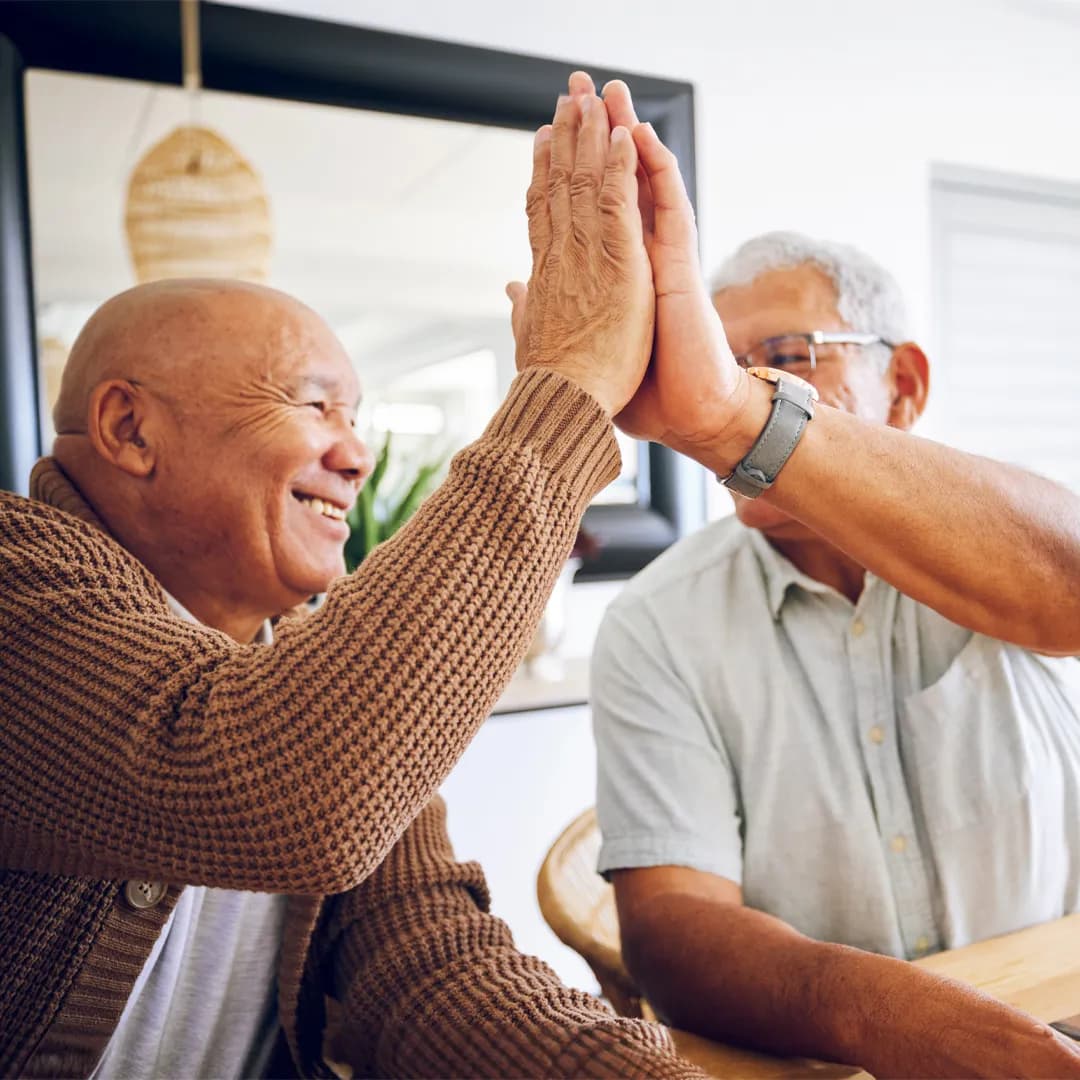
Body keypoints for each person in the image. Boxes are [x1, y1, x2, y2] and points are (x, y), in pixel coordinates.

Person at [0, 76, 708, 1079]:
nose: (357, 454)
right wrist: (572, 387)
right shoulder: (13, 580)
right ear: (129, 429)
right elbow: (274, 786)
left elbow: (428, 965)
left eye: (357, 416)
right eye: (314, 404)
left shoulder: (302, 663)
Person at [589, 83, 1080, 1078]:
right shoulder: (656, 620)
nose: (728, 398)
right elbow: (673, 931)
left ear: (905, 387)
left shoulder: (993, 538)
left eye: (785, 359)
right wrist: (887, 1020)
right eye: (713, 369)